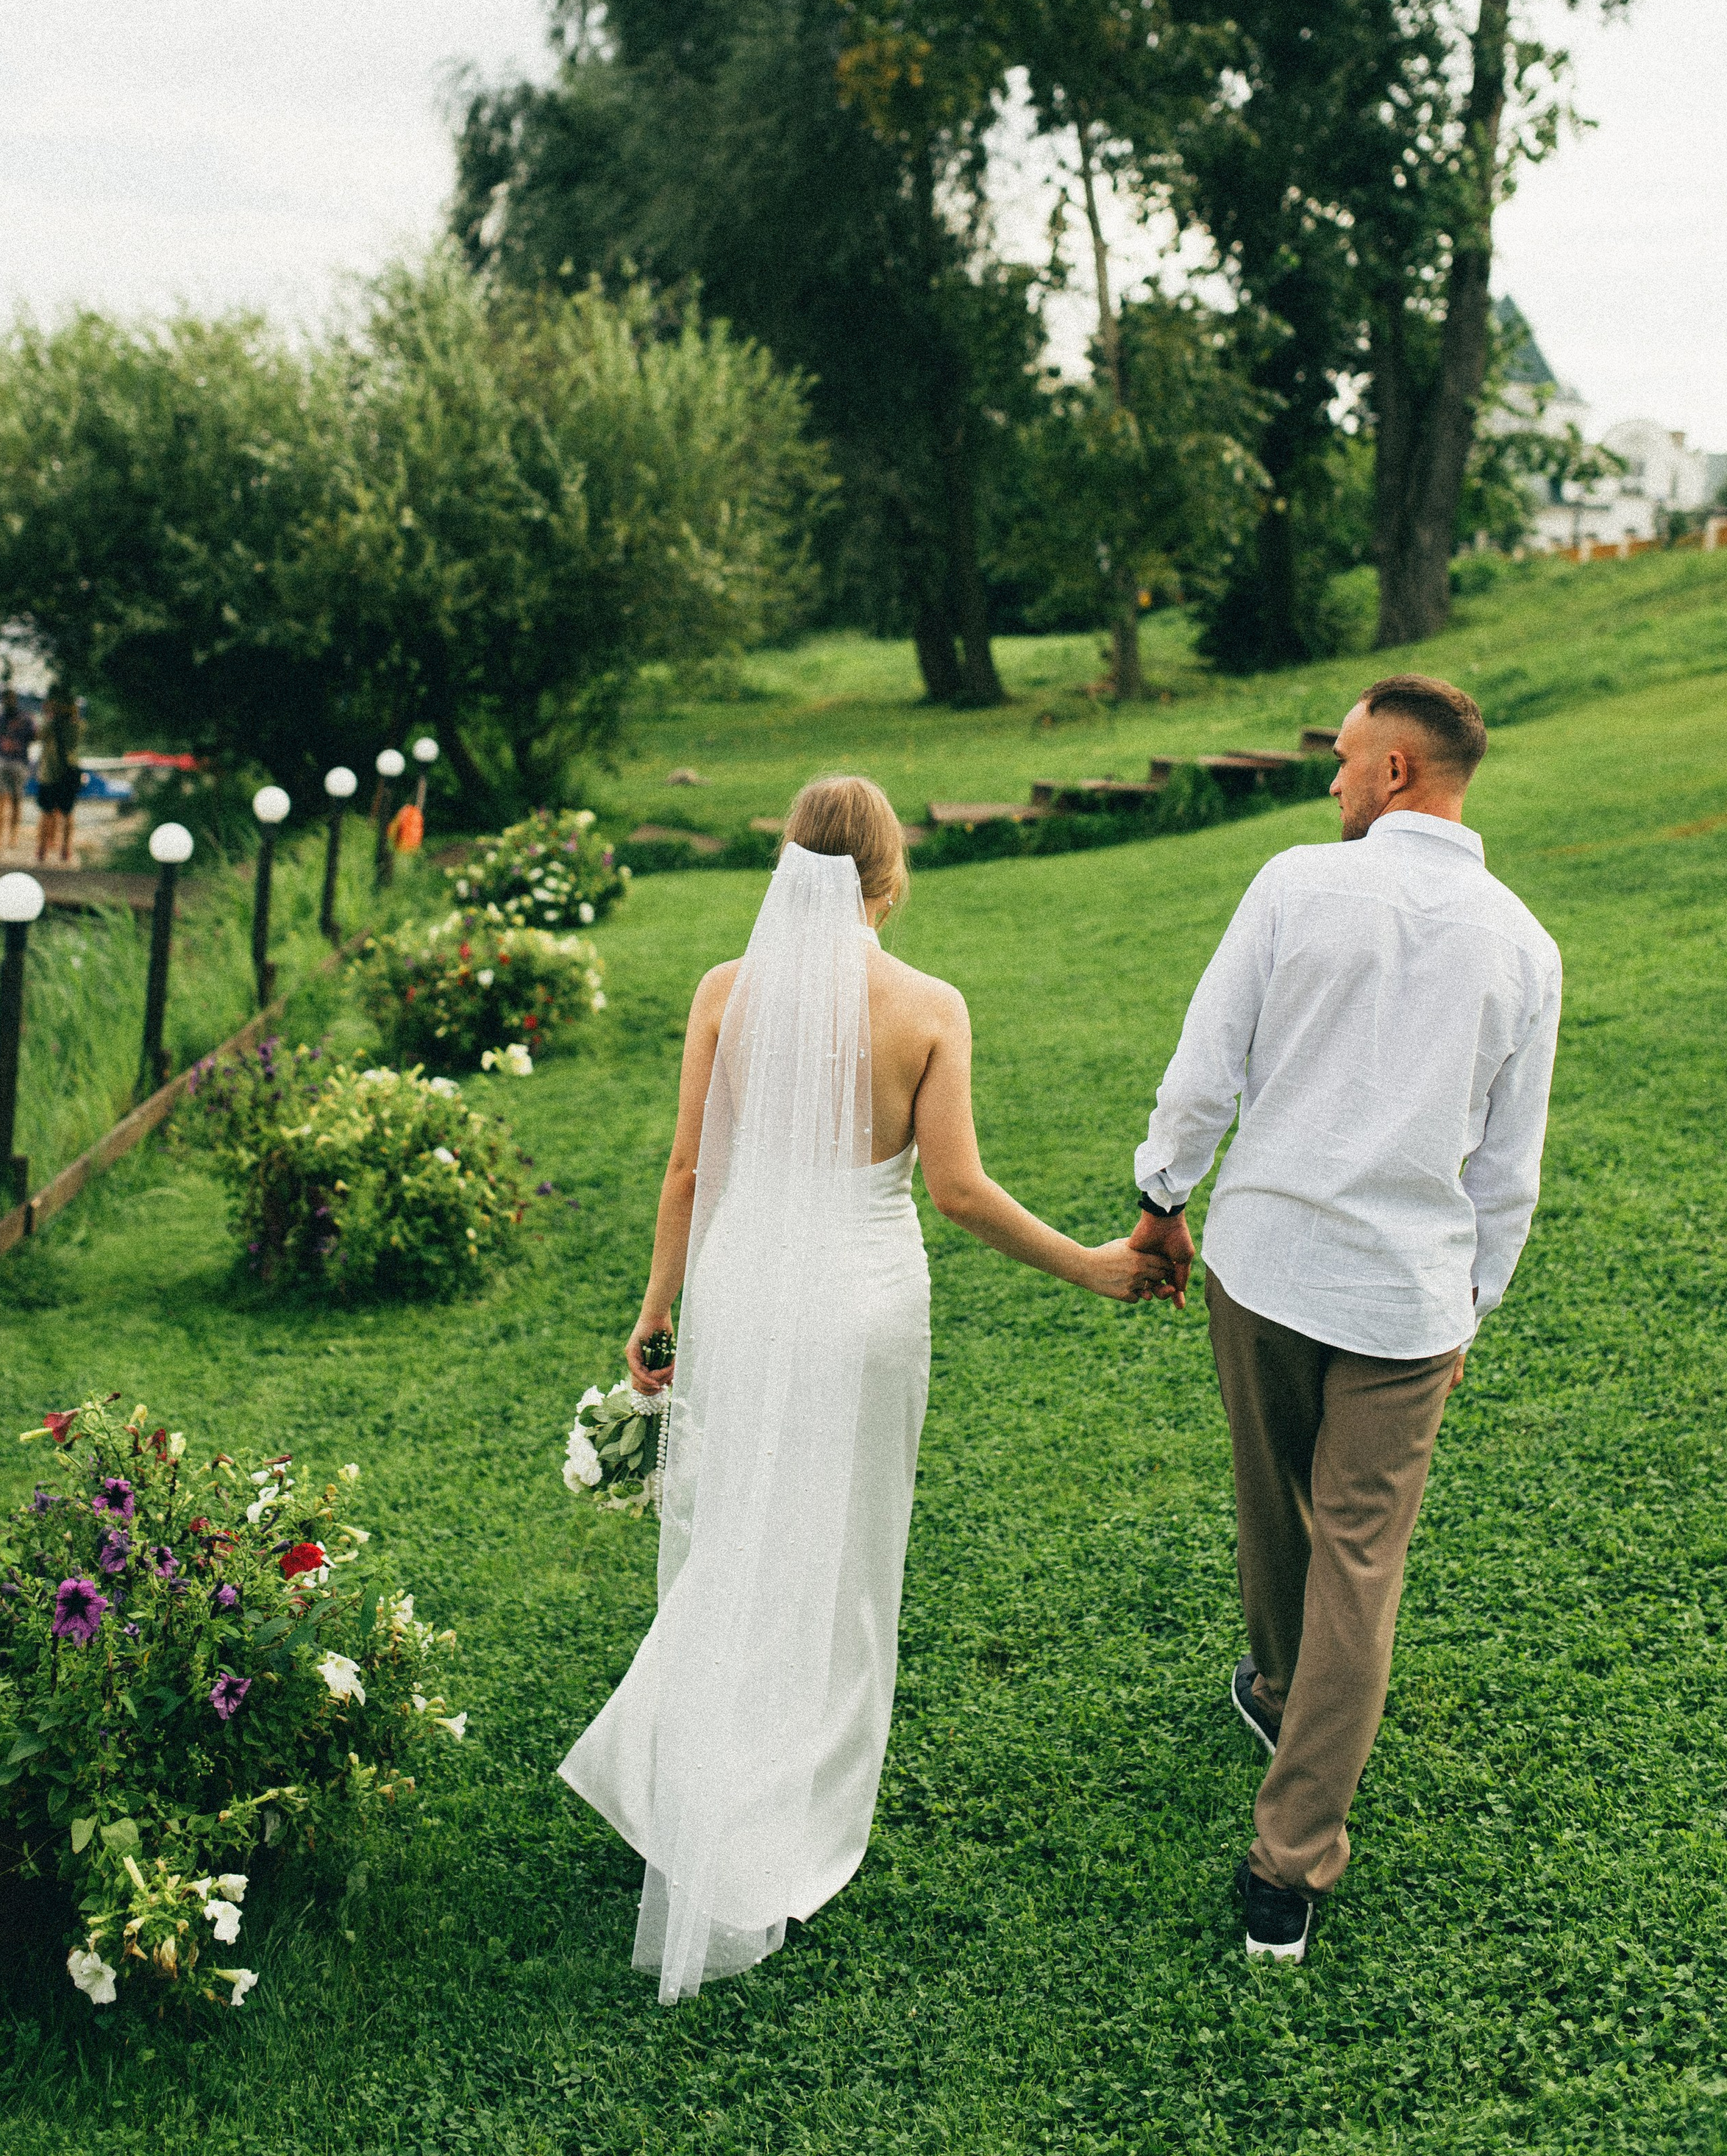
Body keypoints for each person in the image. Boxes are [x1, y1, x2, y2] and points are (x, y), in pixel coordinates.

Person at [560, 772, 1177, 2002]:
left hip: (742, 1285)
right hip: (861, 1300)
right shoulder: (928, 1005)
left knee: (741, 1529)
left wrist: (656, 1308)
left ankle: (676, 1766)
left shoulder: (725, 993)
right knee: (840, 1557)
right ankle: (771, 1818)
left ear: (787, 869)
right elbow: (957, 1191)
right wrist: (1095, 1269)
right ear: (894, 879)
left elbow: (690, 1169)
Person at [1128, 674, 1561, 1963]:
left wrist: (1160, 1193)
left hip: (1264, 1269)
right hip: (1407, 1303)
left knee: (1279, 1507)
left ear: (1394, 775)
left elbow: (1211, 1063)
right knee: (1357, 1560)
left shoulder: (1293, 887)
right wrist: (1474, 1300)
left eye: (1343, 757)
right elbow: (1509, 1169)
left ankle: (1288, 1821)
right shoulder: (1525, 946)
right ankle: (1287, 1799)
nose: (1329, 779)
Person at [0, 686, 36, 851]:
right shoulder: (26, 719)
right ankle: (11, 837)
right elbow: (35, 737)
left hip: (8, 762)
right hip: (18, 763)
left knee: (3, 802)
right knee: (13, 802)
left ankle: (2, 838)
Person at [34, 683, 85, 866]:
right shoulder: (76, 725)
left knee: (47, 813)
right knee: (67, 813)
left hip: (50, 774)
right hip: (69, 773)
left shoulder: (51, 724)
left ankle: (42, 849)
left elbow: (38, 735)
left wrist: (50, 715)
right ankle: (65, 848)